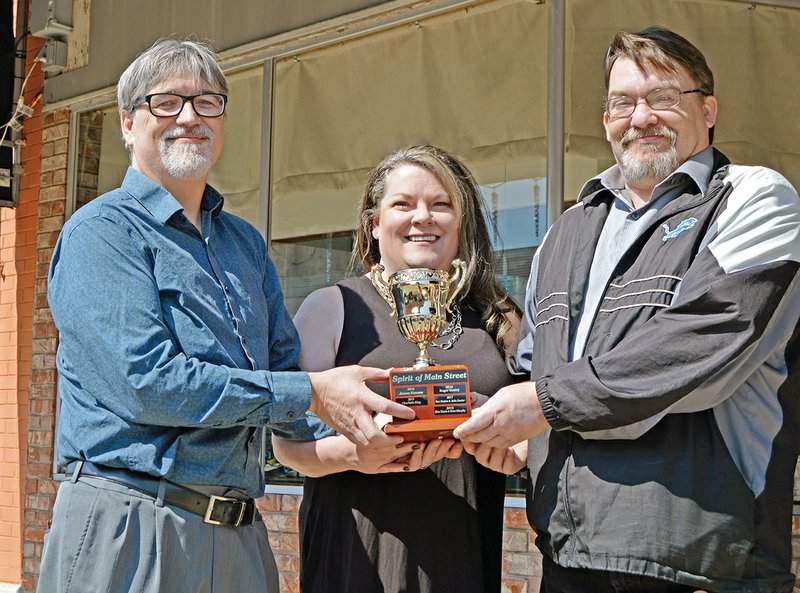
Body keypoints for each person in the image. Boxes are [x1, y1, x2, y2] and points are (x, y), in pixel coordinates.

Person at [37, 38, 414, 593]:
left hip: (238, 537)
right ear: (126, 123)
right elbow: (149, 384)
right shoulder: (103, 234)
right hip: (133, 525)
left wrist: (372, 435)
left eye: (208, 102)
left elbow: (289, 390)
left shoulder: (244, 244)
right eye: (166, 102)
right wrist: (311, 392)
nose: (189, 117)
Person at [454, 26, 800, 593]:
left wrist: (543, 404)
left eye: (663, 97)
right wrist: (519, 437)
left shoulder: (754, 199)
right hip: (567, 554)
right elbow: (537, 366)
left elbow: (700, 349)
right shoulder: (565, 231)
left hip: (700, 559)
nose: (640, 118)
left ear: (708, 109)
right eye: (622, 102)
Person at [272, 145, 523, 593]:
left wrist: (510, 443)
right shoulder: (331, 308)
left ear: (461, 221)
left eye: (441, 204)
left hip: (462, 555)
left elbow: (533, 428)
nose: (422, 217)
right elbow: (288, 446)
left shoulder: (499, 318)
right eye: (403, 204)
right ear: (374, 222)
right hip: (356, 558)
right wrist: (356, 454)